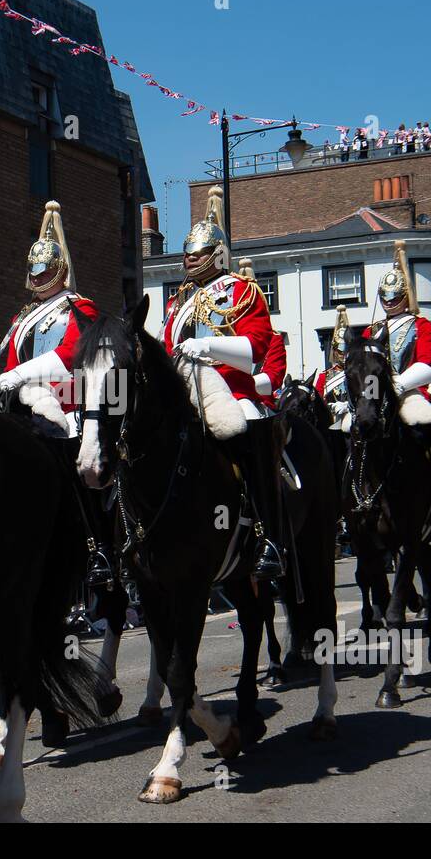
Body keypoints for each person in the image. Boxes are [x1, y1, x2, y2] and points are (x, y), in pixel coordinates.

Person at [163, 186, 287, 578]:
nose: (189, 259)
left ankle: (270, 538)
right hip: (186, 392)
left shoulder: (243, 291)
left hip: (232, 389)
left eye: (197, 253)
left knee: (250, 427)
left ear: (217, 253)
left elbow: (254, 348)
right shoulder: (177, 302)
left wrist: (207, 346)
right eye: (187, 253)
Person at [0, 201, 109, 586]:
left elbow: (73, 355)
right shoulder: (22, 318)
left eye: (43, 269)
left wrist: (17, 377)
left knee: (80, 471)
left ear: (60, 270)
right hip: (26, 407)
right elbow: (9, 365)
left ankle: (96, 550)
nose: (37, 276)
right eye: (33, 269)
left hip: (70, 404)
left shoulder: (81, 307)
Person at [362, 241, 431, 540]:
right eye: (385, 296)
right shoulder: (371, 331)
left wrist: (397, 384)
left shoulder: (421, 325)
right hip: (377, 395)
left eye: (395, 296)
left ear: (405, 295)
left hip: (411, 391)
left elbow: (429, 364)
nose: (389, 301)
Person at [313, 304, 350, 430]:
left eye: (347, 351)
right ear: (335, 352)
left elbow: (370, 396)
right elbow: (317, 402)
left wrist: (348, 406)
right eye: (341, 352)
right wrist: (331, 407)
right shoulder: (324, 376)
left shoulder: (361, 373)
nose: (344, 355)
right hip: (331, 420)